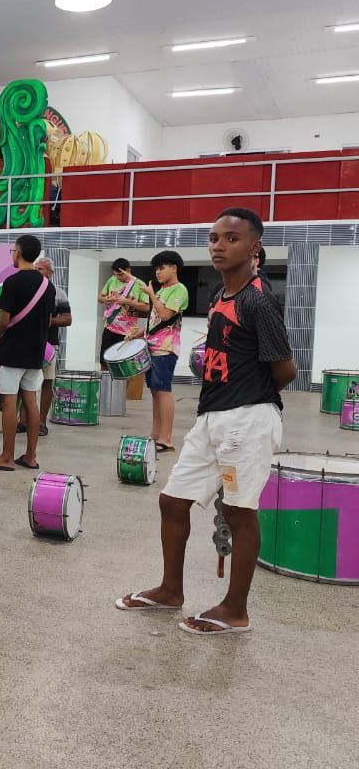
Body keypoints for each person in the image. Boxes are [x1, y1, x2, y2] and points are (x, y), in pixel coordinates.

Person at [116, 207, 296, 634]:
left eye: (231, 239)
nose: (218, 245)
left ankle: (235, 610)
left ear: (254, 247)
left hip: (248, 417)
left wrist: (248, 393)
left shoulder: (258, 300)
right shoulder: (220, 294)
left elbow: (285, 370)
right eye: (214, 238)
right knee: (172, 500)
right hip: (212, 415)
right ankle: (170, 590)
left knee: (238, 511)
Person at [0, 234, 53, 472]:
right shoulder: (47, 285)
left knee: (9, 401)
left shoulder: (12, 282)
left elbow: (3, 320)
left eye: (13, 251)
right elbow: (47, 320)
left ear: (18, 253)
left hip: (12, 351)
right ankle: (31, 456)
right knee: (31, 402)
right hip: (35, 353)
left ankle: (6, 457)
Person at [127, 251, 189, 452]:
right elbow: (155, 322)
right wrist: (139, 333)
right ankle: (155, 434)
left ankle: (166, 439)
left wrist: (151, 294)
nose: (158, 272)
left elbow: (165, 316)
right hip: (152, 346)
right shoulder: (162, 290)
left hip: (166, 348)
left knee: (163, 391)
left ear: (174, 268)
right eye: (156, 269)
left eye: (162, 268)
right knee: (155, 392)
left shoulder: (179, 290)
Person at [36, 257, 71, 437]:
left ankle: (41, 422)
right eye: (36, 268)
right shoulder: (28, 290)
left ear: (50, 273)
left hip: (49, 346)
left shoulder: (59, 293)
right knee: (23, 384)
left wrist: (50, 321)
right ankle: (23, 421)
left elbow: (68, 319)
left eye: (41, 269)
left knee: (47, 382)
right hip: (27, 343)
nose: (37, 271)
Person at [98, 257, 150, 366]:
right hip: (109, 327)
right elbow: (100, 298)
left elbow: (146, 307)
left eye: (120, 275)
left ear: (128, 270)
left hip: (127, 333)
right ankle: (104, 377)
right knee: (104, 360)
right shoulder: (112, 280)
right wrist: (105, 299)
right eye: (116, 274)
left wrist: (127, 301)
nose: (118, 277)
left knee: (122, 363)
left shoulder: (140, 284)